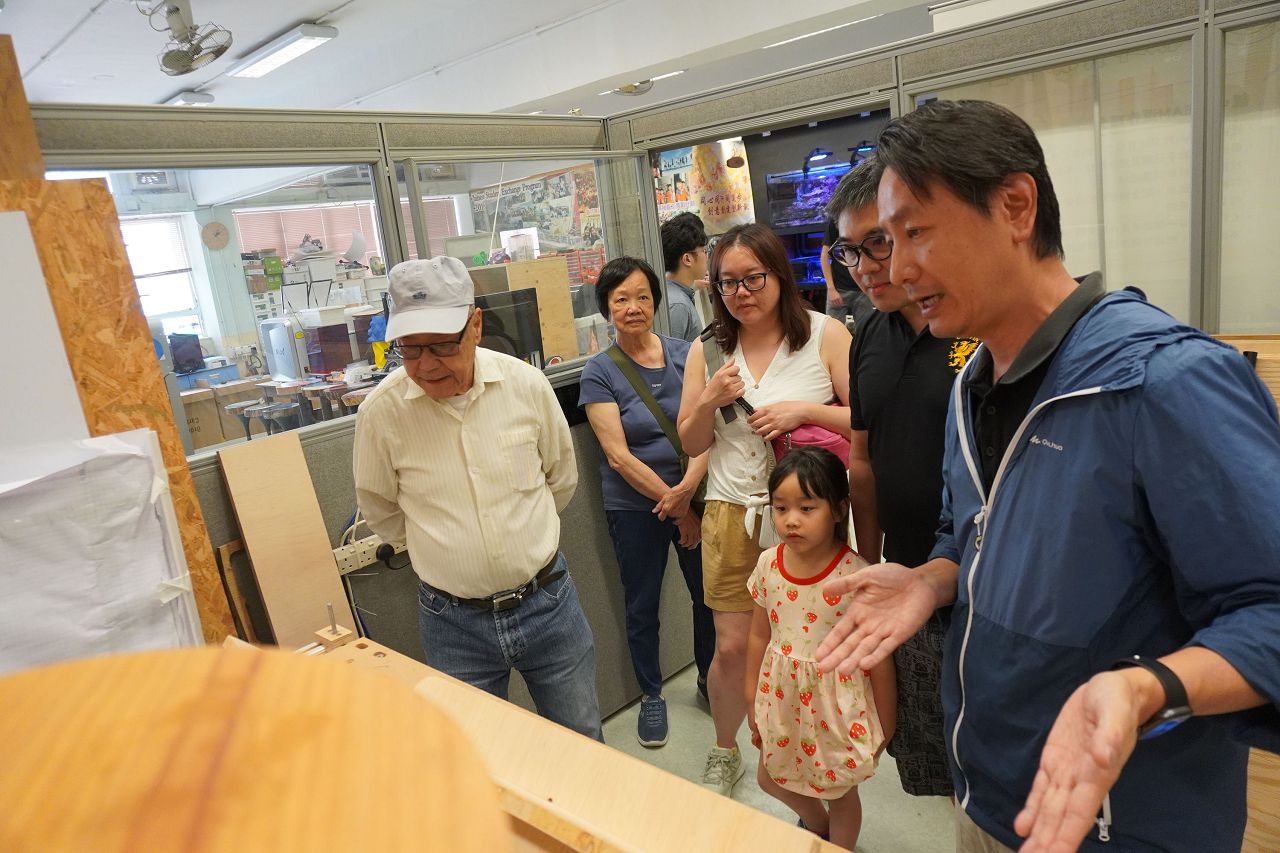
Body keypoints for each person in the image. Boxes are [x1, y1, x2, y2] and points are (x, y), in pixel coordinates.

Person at [815, 100, 1280, 852]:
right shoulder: (972, 383)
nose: (896, 269)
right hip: (993, 799)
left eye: (915, 233)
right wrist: (932, 579)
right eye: (884, 244)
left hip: (1123, 825)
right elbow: (970, 531)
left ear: (1015, 206)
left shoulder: (1163, 381)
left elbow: (1270, 611)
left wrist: (1146, 688)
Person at [353, 256, 603, 741]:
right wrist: (449, 549)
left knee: (582, 738)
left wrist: (517, 539)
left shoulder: (525, 386)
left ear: (475, 325)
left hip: (547, 601)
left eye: (441, 345)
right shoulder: (382, 414)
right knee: (476, 756)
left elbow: (560, 479)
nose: (425, 365)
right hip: (452, 623)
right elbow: (381, 510)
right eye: (409, 349)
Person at [678, 222, 854, 796]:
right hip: (733, 512)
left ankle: (810, 753)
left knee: (810, 643)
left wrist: (805, 411)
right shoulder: (707, 349)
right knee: (732, 648)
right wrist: (709, 399)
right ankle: (725, 747)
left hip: (810, 516)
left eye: (753, 278)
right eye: (727, 283)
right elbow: (691, 441)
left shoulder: (826, 335)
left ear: (778, 275)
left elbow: (866, 419)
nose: (741, 293)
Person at [826, 157, 971, 800]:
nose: (864, 267)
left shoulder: (971, 324)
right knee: (928, 747)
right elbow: (862, 459)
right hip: (904, 572)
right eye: (849, 251)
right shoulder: (869, 332)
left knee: (986, 749)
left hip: (979, 574)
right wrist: (869, 555)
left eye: (877, 244)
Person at [578, 256, 716, 748]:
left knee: (709, 596)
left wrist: (688, 494)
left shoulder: (687, 354)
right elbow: (618, 456)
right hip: (636, 508)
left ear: (655, 301)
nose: (633, 307)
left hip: (695, 493)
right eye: (621, 299)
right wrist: (677, 506)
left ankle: (709, 677)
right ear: (607, 308)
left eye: (642, 296)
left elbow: (709, 431)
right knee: (642, 604)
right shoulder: (599, 371)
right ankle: (651, 694)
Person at [745, 447, 895, 849]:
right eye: (781, 508)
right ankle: (818, 826)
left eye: (807, 508)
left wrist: (886, 721)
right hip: (782, 697)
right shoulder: (768, 564)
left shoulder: (858, 577)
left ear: (839, 509)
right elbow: (759, 635)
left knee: (840, 792)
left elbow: (878, 656)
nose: (791, 520)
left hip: (836, 707)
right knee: (768, 777)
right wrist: (750, 695)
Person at [661, 211, 709, 342]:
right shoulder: (678, 306)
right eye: (704, 251)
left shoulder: (675, 295)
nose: (706, 257)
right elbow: (671, 352)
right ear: (687, 259)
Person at [819, 217, 871, 329]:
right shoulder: (835, 221)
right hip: (839, 288)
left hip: (862, 290)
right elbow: (824, 255)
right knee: (832, 331)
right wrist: (831, 289)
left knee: (867, 331)